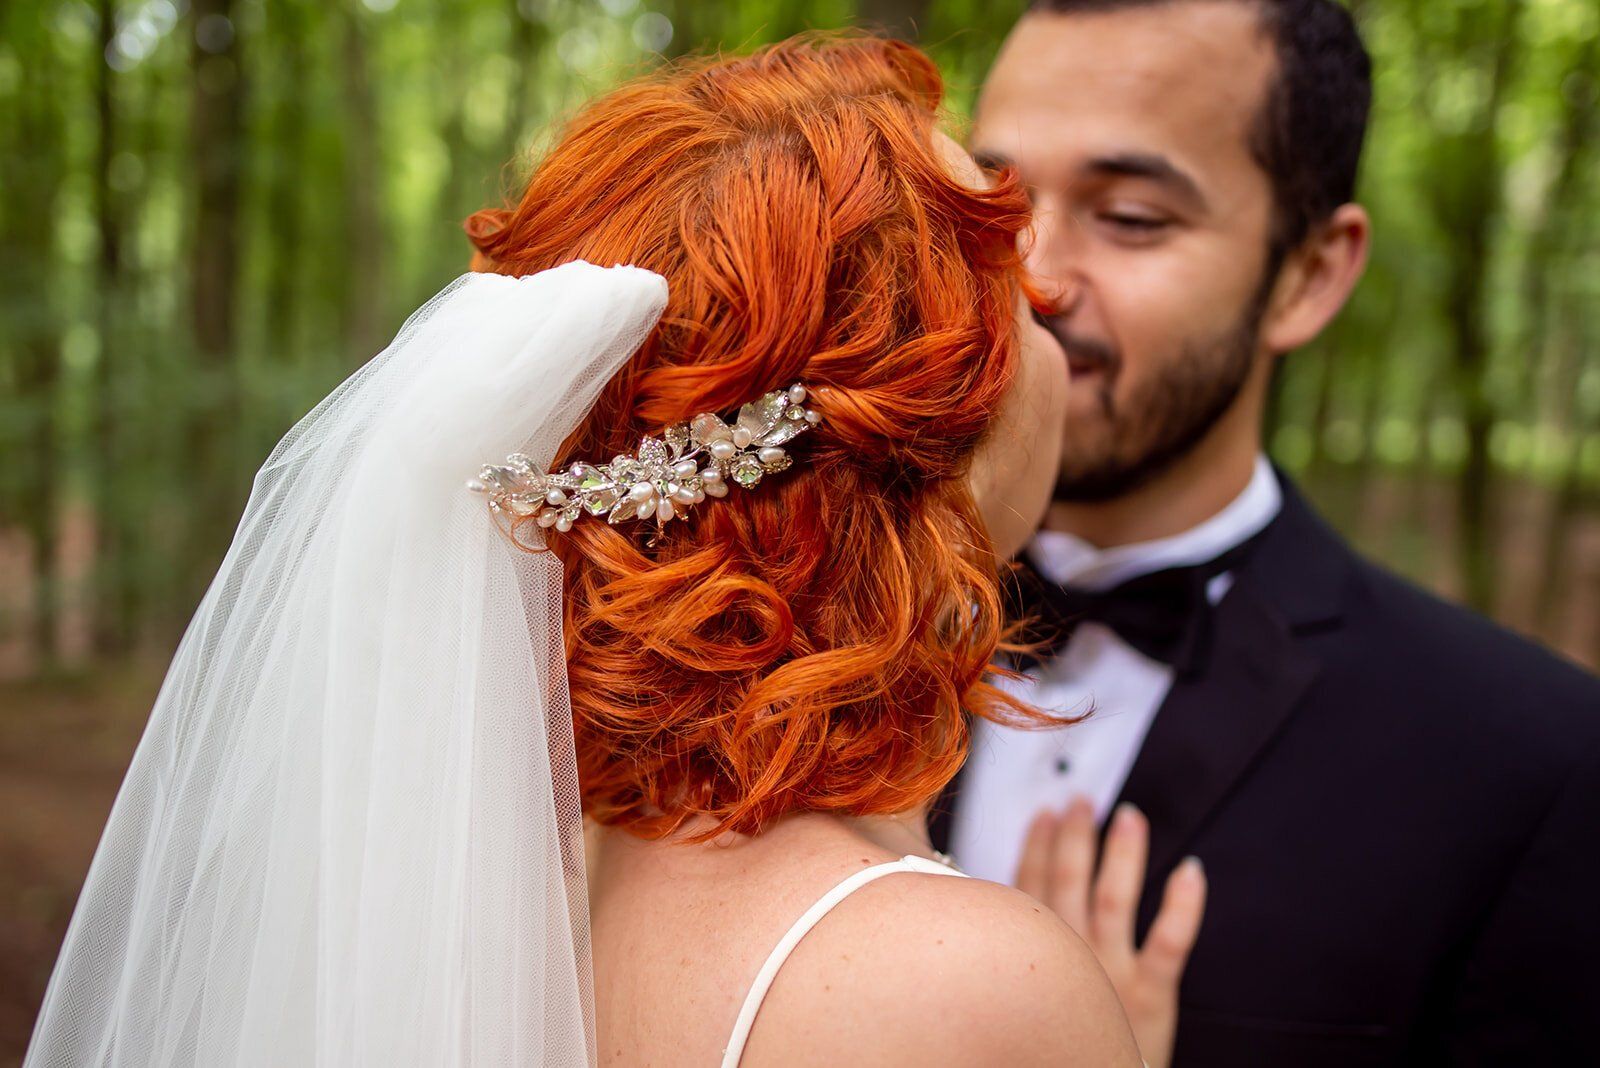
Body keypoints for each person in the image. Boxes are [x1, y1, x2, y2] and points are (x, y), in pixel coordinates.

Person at [27, 35, 1202, 1068]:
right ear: (921, 440)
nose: (1055, 307)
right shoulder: (958, 993)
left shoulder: (461, 901)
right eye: (1018, 291)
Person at [933, 1, 1600, 1063]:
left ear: (1310, 273)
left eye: (1133, 218)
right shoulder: (809, 639)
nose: (1032, 277)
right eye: (994, 207)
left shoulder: (1536, 766)